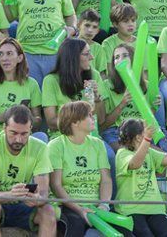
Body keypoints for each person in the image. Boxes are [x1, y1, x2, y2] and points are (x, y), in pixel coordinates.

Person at [0, 105, 55, 237]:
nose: (18, 139)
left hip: (25, 205)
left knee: (48, 211)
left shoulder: (40, 147)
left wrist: (37, 199)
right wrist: (10, 195)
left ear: (31, 129)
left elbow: (44, 193)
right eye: (13, 133)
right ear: (4, 128)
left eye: (24, 134)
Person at [49, 100, 125, 236]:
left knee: (125, 231)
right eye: (89, 115)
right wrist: (79, 209)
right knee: (75, 226)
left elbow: (106, 180)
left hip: (97, 207)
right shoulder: (55, 146)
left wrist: (104, 205)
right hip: (69, 207)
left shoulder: (98, 144)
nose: (93, 118)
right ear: (75, 122)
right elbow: (56, 185)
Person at [5, 0, 76, 84]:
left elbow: (70, 15)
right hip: (28, 53)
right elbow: (10, 17)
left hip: (55, 53)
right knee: (33, 98)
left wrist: (72, 28)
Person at [114, 118, 167, 236]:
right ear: (138, 137)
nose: (150, 135)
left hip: (155, 209)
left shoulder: (150, 152)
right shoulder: (122, 153)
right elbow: (135, 164)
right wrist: (147, 139)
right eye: (145, 131)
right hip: (131, 210)